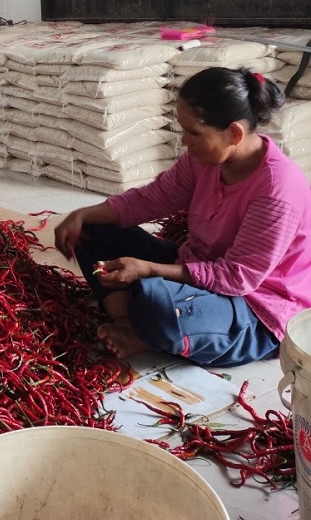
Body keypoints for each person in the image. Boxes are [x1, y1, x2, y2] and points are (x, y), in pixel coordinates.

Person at [54, 66, 311, 367]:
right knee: (93, 231)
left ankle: (147, 325)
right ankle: (127, 325)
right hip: (198, 267)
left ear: (234, 133)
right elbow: (152, 198)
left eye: (194, 133)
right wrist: (83, 214)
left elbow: (236, 277)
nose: (184, 142)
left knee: (157, 303)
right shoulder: (204, 160)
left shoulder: (277, 191)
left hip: (255, 307)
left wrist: (149, 269)